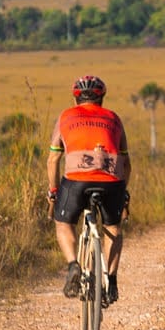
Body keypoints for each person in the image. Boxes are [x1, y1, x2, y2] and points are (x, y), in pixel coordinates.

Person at [47, 75, 131, 305]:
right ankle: (111, 280)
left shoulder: (65, 117)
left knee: (63, 223)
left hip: (76, 181)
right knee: (113, 227)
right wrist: (123, 192)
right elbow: (126, 163)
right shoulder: (114, 118)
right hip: (111, 181)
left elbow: (54, 159)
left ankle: (73, 264)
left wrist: (53, 192)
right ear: (101, 98)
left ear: (76, 99)